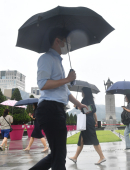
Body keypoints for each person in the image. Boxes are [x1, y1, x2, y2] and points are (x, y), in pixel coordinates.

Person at [29, 27, 87, 170]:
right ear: (57, 41)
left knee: (56, 155)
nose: (69, 45)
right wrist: (67, 78)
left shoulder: (58, 61)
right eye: (67, 41)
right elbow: (43, 84)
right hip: (50, 109)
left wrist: (79, 104)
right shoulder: (46, 58)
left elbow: (64, 90)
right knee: (59, 156)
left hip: (56, 109)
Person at [69, 87, 106, 165]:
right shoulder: (90, 100)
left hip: (87, 122)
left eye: (82, 91)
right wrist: (95, 120)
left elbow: (86, 110)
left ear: (85, 92)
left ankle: (102, 157)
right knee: (81, 140)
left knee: (93, 138)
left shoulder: (85, 100)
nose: (81, 93)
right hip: (88, 121)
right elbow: (92, 111)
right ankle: (75, 157)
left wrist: (76, 106)